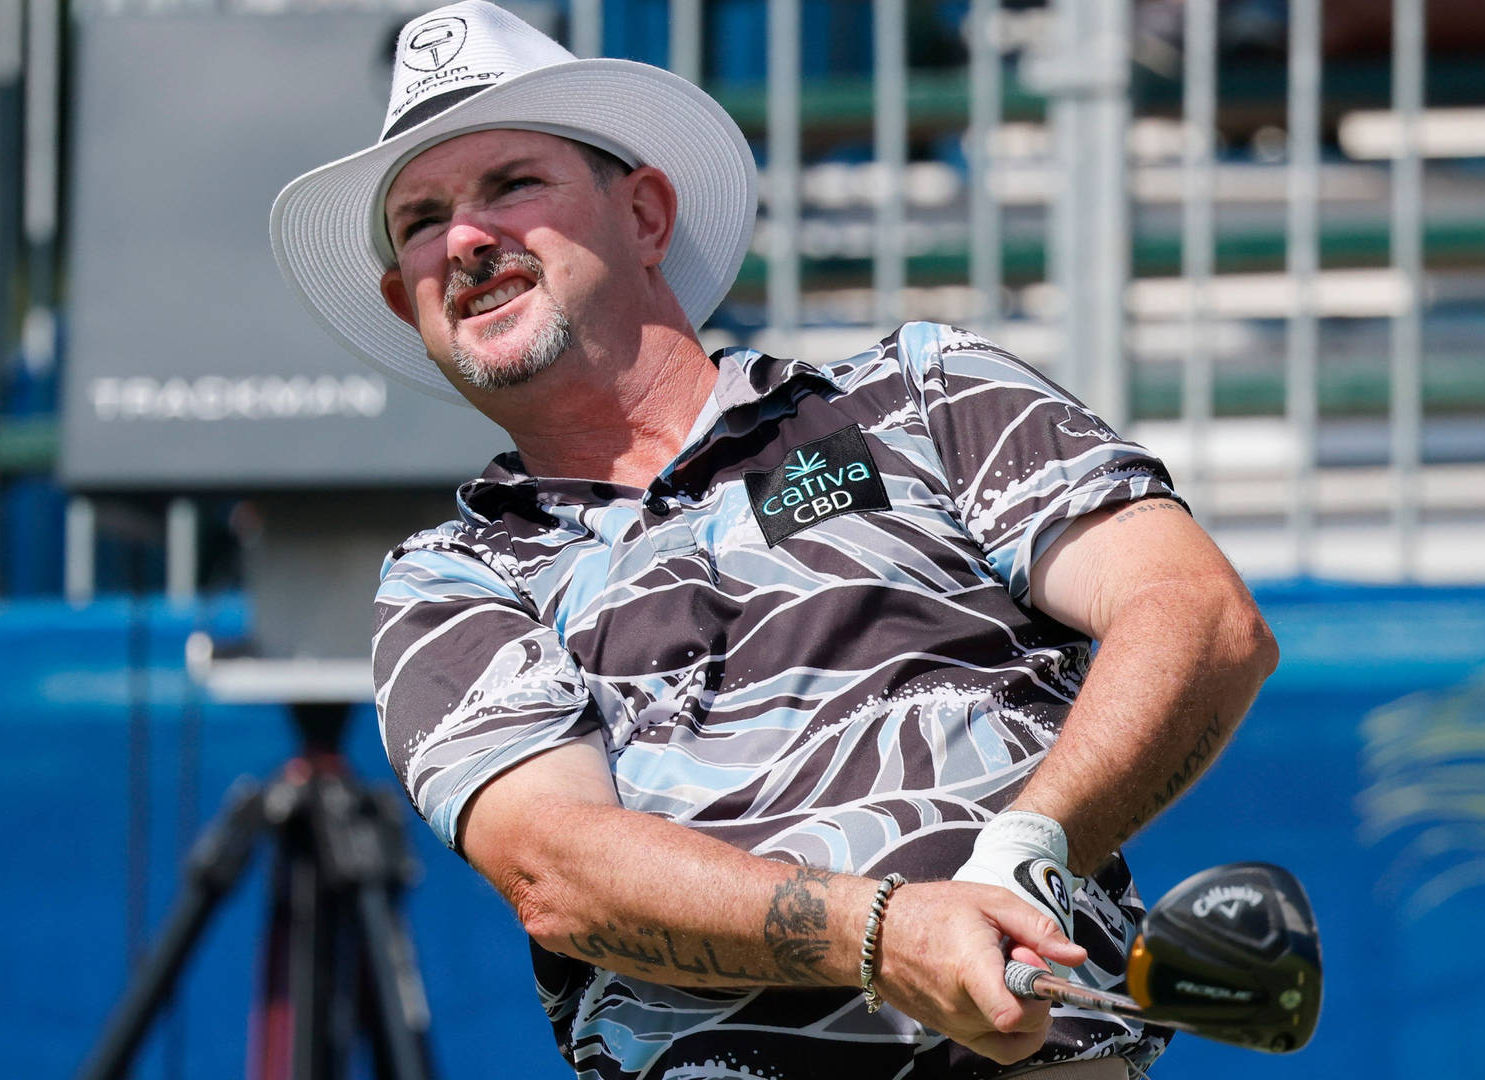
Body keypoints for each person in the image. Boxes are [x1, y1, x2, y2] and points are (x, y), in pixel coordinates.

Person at [270, 4, 1278, 1077]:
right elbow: (557, 870)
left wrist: (1034, 845)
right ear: (406, 299)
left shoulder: (923, 391)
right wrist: (882, 934)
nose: (466, 238)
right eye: (424, 219)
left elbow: (1196, 615)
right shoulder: (448, 582)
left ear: (647, 214)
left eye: (512, 185)